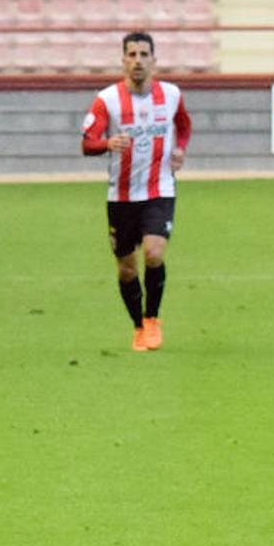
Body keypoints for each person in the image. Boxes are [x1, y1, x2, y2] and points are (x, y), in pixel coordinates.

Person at [80, 32, 192, 351]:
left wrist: (180, 149)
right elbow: (87, 143)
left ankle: (153, 319)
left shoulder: (171, 95)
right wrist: (107, 143)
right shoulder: (107, 100)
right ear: (123, 60)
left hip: (160, 189)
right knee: (127, 269)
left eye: (144, 54)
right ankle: (138, 326)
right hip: (122, 197)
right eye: (132, 54)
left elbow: (184, 125)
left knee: (155, 253)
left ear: (154, 60)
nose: (138, 60)